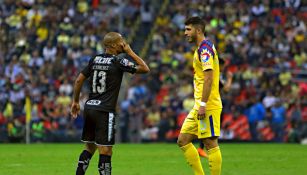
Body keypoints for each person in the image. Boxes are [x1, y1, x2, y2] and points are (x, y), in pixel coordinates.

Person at [70, 32, 150, 175]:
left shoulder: (94, 59)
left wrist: (75, 101)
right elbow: (144, 68)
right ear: (113, 45)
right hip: (104, 110)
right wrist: (130, 51)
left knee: (89, 148)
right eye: (121, 41)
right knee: (106, 150)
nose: (123, 44)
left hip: (89, 108)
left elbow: (78, 80)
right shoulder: (117, 61)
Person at [177, 16, 223, 175]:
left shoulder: (205, 49)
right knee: (183, 141)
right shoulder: (202, 48)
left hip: (207, 105)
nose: (185, 33)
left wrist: (203, 104)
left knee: (210, 143)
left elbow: (209, 77)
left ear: (198, 30)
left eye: (188, 29)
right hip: (199, 105)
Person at [197, 58, 233, 158]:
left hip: (210, 103)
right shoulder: (214, 75)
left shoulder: (212, 74)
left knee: (207, 128)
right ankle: (205, 149)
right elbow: (226, 89)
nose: (224, 68)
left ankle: (202, 148)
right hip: (212, 104)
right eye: (223, 66)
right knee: (211, 129)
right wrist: (230, 78)